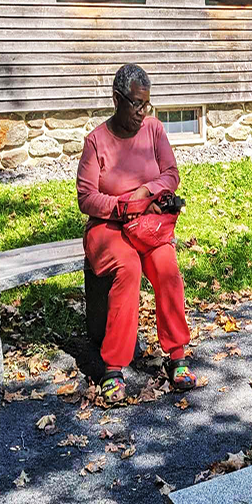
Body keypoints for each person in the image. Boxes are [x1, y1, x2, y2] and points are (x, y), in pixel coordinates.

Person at [76, 64, 197, 403]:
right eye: (136, 104)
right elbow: (86, 198)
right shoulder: (96, 141)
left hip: (147, 224)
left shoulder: (154, 130)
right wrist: (124, 206)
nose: (143, 112)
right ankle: (113, 368)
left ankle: (176, 355)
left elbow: (171, 174)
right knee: (128, 268)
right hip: (107, 227)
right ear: (117, 99)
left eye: (147, 104)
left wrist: (145, 193)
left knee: (167, 268)